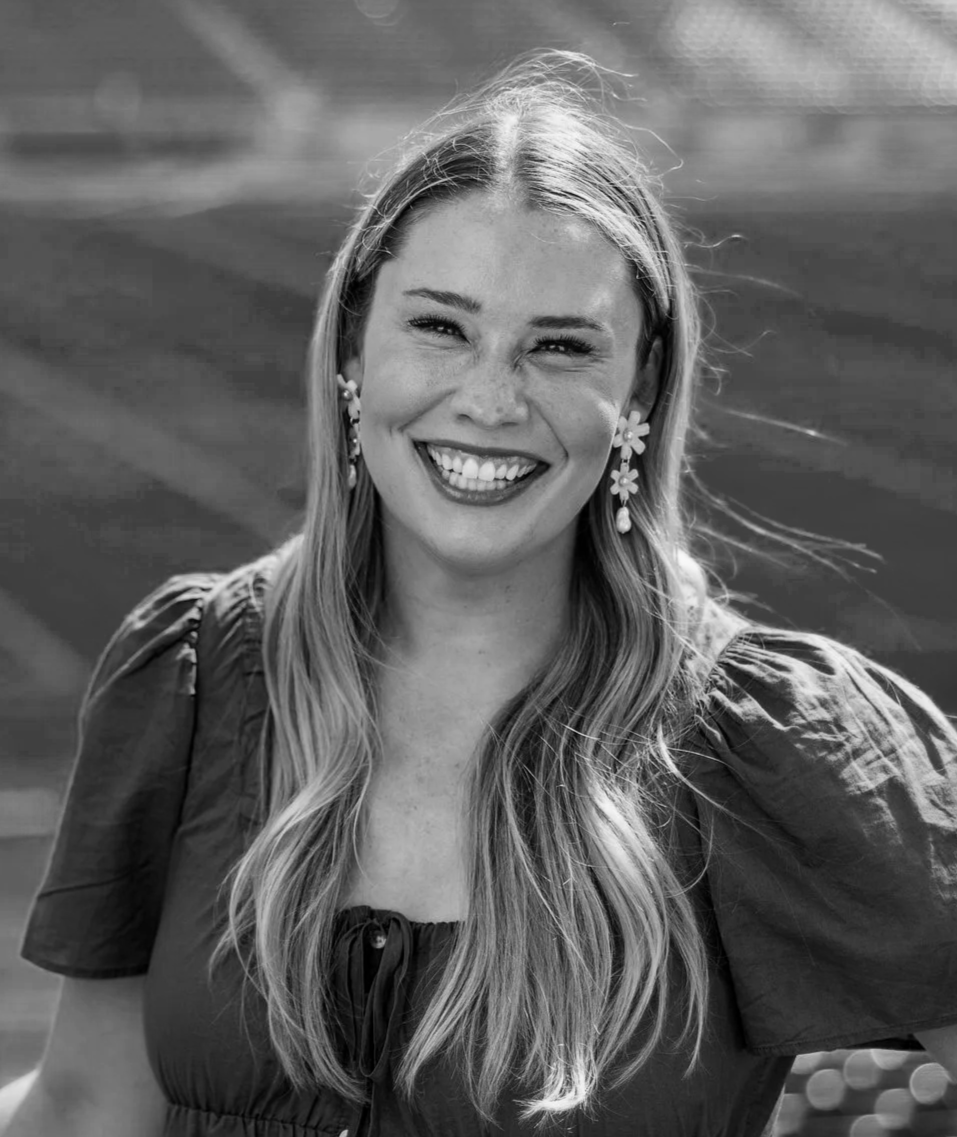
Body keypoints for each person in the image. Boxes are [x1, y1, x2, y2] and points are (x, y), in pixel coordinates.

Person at [4, 50, 957, 1137]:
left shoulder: (768, 745)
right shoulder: (198, 677)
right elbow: (88, 1104)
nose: (491, 399)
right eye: (440, 327)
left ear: (637, 392)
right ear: (353, 350)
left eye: (559, 347)